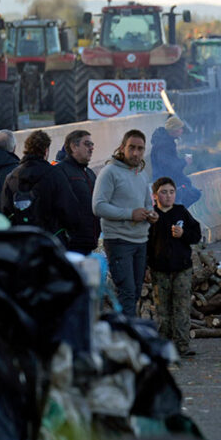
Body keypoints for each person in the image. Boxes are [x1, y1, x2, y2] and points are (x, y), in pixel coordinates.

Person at [93, 129, 158, 317]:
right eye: (132, 148)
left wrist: (150, 215)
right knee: (127, 292)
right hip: (119, 241)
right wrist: (130, 214)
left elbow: (146, 204)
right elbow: (98, 206)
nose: (136, 153)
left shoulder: (141, 174)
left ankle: (125, 333)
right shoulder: (110, 172)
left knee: (136, 291)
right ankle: (126, 338)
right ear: (122, 148)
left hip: (140, 241)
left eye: (140, 149)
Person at [147, 177, 202, 357]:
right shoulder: (152, 216)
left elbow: (196, 234)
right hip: (159, 269)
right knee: (162, 309)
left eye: (171, 192)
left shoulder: (181, 212)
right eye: (164, 192)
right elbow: (146, 243)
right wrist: (147, 266)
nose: (168, 196)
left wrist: (183, 234)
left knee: (182, 307)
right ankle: (164, 345)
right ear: (155, 196)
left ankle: (182, 345)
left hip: (182, 268)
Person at [1, 130, 80, 245]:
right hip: (51, 240)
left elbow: (5, 211)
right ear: (46, 150)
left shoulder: (12, 177)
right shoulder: (55, 175)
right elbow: (68, 209)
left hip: (21, 242)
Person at [56, 130, 101, 255]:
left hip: (89, 242)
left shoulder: (90, 173)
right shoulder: (59, 171)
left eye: (92, 144)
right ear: (73, 146)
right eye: (87, 144)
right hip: (70, 245)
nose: (92, 148)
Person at [150, 115, 202, 207]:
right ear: (174, 130)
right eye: (180, 129)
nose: (182, 131)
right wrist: (185, 161)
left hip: (172, 180)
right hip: (165, 182)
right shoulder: (163, 145)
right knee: (187, 195)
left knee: (195, 193)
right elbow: (168, 166)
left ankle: (179, 214)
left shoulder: (168, 141)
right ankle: (177, 215)